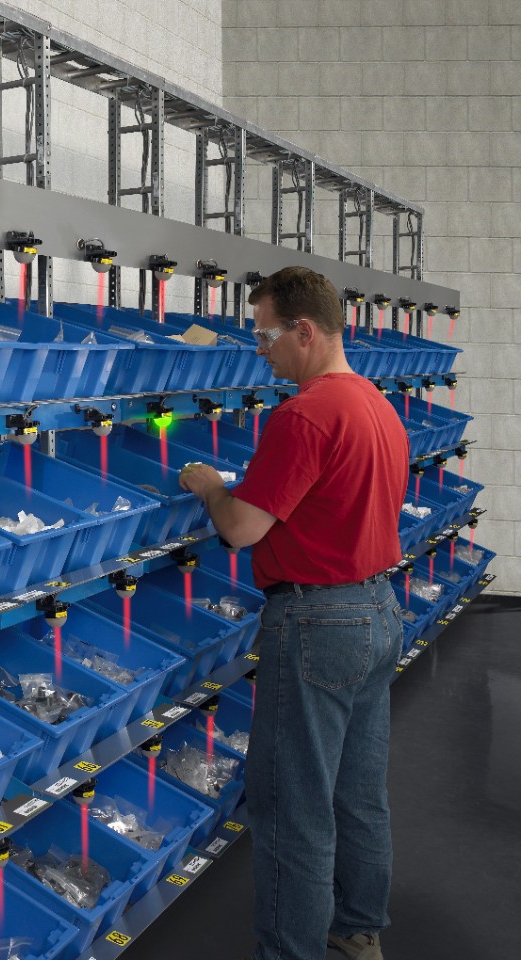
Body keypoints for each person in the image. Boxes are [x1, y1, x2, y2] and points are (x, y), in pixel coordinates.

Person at [178, 266, 408, 960]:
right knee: (358, 793)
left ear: (304, 331)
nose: (261, 350)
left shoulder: (305, 413)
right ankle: (360, 929)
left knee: (294, 808)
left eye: (266, 334)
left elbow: (244, 528)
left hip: (317, 623)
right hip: (376, 608)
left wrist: (214, 487)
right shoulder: (374, 402)